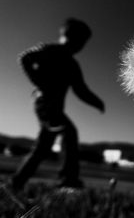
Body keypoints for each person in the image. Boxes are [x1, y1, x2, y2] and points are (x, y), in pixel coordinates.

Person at [12, 18, 105, 190]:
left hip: (55, 108)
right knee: (69, 132)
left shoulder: (72, 64)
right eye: (80, 41)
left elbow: (80, 89)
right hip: (44, 105)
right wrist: (37, 81)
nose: (80, 46)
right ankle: (68, 180)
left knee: (42, 149)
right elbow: (24, 58)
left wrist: (96, 102)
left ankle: (17, 183)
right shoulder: (50, 50)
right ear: (68, 36)